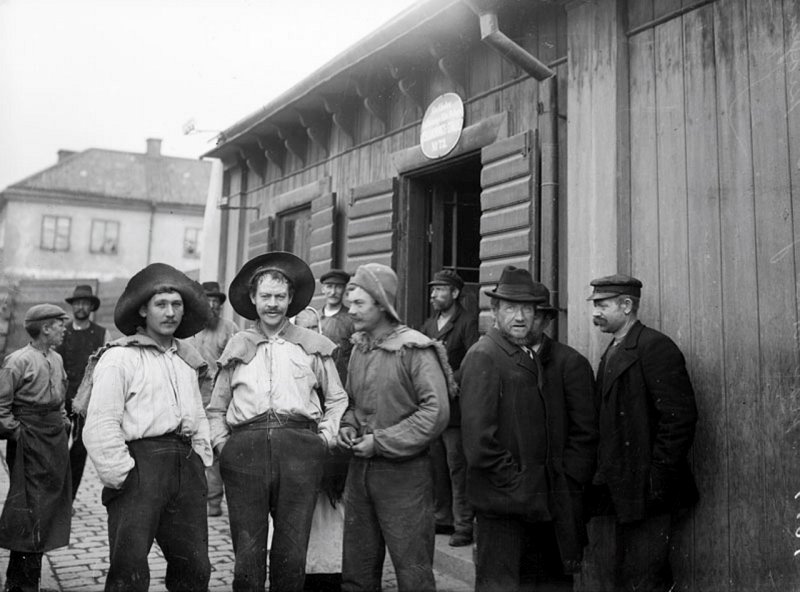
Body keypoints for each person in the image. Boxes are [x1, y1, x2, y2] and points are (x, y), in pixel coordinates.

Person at [207, 251, 347, 592]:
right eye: (266, 297)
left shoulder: (312, 346)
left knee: (291, 550)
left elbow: (337, 398)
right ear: (253, 299)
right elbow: (215, 409)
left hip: (300, 452)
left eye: (280, 297)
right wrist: (225, 446)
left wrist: (324, 439)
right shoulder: (237, 346)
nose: (273, 304)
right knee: (248, 551)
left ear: (291, 300)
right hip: (245, 454)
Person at [460, 267, 598, 592]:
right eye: (509, 308)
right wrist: (521, 485)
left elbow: (578, 435)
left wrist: (563, 483)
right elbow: (480, 445)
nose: (519, 317)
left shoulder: (533, 358)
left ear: (539, 314)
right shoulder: (485, 356)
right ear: (494, 312)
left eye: (527, 309)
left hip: (543, 502)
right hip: (505, 505)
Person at [82, 263, 213, 592]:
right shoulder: (120, 358)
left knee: (194, 568)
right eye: (161, 305)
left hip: (184, 468)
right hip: (140, 468)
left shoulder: (186, 360)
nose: (170, 313)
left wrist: (200, 460)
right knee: (129, 570)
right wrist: (123, 474)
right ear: (142, 309)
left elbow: (198, 416)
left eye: (177, 305)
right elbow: (100, 422)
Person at [337, 263, 451, 592]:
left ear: (381, 304)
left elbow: (436, 412)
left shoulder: (415, 349)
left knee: (412, 573)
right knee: (356, 573)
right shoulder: (360, 348)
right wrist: (348, 426)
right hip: (360, 476)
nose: (351, 310)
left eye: (359, 303)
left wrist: (382, 442)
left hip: (405, 477)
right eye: (350, 303)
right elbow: (353, 403)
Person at [585, 274, 698, 592]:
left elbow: (679, 419)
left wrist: (656, 479)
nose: (596, 312)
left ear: (626, 305)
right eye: (595, 304)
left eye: (602, 305)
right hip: (625, 488)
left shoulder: (655, 347)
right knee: (631, 574)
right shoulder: (615, 348)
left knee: (645, 577)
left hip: (650, 492)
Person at [0, 304, 72, 592]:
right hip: (28, 440)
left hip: (53, 440)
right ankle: (21, 583)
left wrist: (64, 424)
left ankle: (25, 580)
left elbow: (61, 399)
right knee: (28, 509)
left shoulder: (56, 358)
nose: (63, 329)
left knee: (47, 508)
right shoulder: (17, 361)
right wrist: (18, 433)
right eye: (59, 324)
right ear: (45, 328)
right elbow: (2, 408)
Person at [420, 269, 479, 546]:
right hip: (433, 409)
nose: (433, 295)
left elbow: (472, 361)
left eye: (440, 289)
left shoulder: (467, 322)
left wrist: (446, 381)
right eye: (433, 290)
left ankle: (463, 525)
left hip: (455, 410)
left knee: (457, 466)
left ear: (455, 293)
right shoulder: (429, 325)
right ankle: (441, 517)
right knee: (436, 465)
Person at [294, 306, 348, 592]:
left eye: (316, 328)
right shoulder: (292, 359)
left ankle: (329, 572)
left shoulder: (330, 357)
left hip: (327, 447)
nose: (313, 334)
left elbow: (338, 399)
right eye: (305, 328)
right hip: (297, 451)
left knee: (329, 515)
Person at [183, 280, 239, 517]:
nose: (213, 306)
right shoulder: (187, 328)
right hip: (191, 398)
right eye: (209, 301)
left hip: (218, 402)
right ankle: (191, 498)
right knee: (190, 449)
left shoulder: (229, 328)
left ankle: (213, 502)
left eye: (217, 302)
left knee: (216, 451)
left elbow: (235, 365)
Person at [55, 284, 109, 502]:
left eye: (85, 303)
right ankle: (55, 498)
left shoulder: (102, 334)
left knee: (78, 453)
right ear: (72, 306)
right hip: (61, 402)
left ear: (91, 307)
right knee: (58, 452)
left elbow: (106, 368)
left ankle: (68, 499)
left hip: (86, 403)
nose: (81, 307)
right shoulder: (62, 332)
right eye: (77, 303)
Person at [318, 269, 355, 385]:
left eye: (338, 287)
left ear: (344, 289)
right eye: (329, 287)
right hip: (317, 382)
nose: (333, 292)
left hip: (342, 382)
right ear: (323, 289)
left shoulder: (352, 319)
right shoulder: (314, 318)